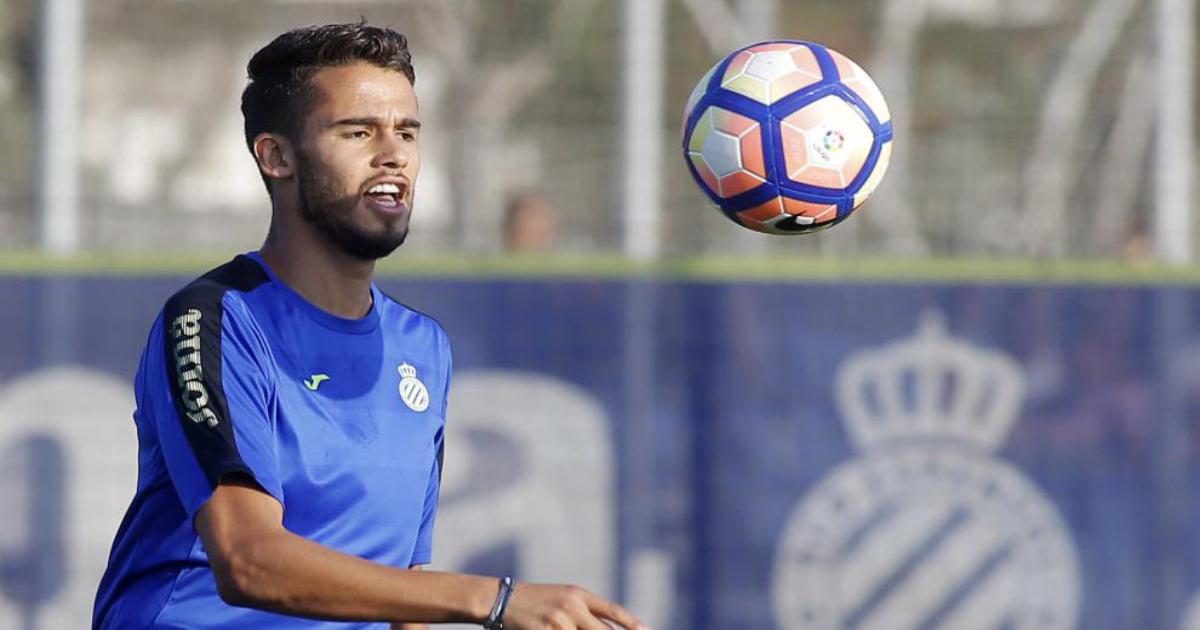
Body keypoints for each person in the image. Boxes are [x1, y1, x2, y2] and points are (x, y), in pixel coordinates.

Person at [92, 22, 647, 630]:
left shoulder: (423, 347)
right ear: (276, 156)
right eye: (358, 132)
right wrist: (495, 599)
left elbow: (401, 587)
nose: (394, 154)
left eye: (406, 131)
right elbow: (248, 561)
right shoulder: (215, 321)